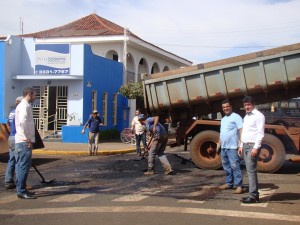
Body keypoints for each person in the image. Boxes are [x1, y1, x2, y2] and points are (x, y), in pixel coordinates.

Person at [239, 96, 265, 204]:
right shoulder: (246, 117)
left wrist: (255, 147)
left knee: (251, 171)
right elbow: (244, 132)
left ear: (253, 104)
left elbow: (260, 133)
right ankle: (254, 195)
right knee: (249, 171)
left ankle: (253, 196)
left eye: (248, 105)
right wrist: (241, 145)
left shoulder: (259, 116)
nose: (247, 107)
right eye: (245, 105)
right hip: (245, 145)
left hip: (252, 146)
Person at [14, 87, 37, 199]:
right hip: (24, 141)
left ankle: (21, 189)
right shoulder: (24, 106)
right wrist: (28, 138)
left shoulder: (23, 106)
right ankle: (21, 190)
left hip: (21, 140)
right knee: (23, 166)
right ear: (29, 94)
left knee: (20, 166)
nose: (35, 97)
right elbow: (23, 122)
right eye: (34, 95)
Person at [217, 99, 244, 194]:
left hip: (232, 147)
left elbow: (241, 130)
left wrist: (241, 144)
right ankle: (229, 183)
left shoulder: (236, 117)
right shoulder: (223, 119)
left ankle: (239, 185)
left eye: (227, 106)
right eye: (224, 107)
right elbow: (222, 133)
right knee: (226, 166)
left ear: (231, 106)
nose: (226, 109)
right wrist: (218, 144)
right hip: (224, 147)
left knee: (235, 166)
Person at [4, 96, 23, 189]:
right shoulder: (19, 112)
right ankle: (20, 183)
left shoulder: (11, 112)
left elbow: (7, 123)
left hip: (11, 137)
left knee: (12, 160)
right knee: (19, 161)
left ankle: (8, 181)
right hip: (17, 138)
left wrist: (11, 131)